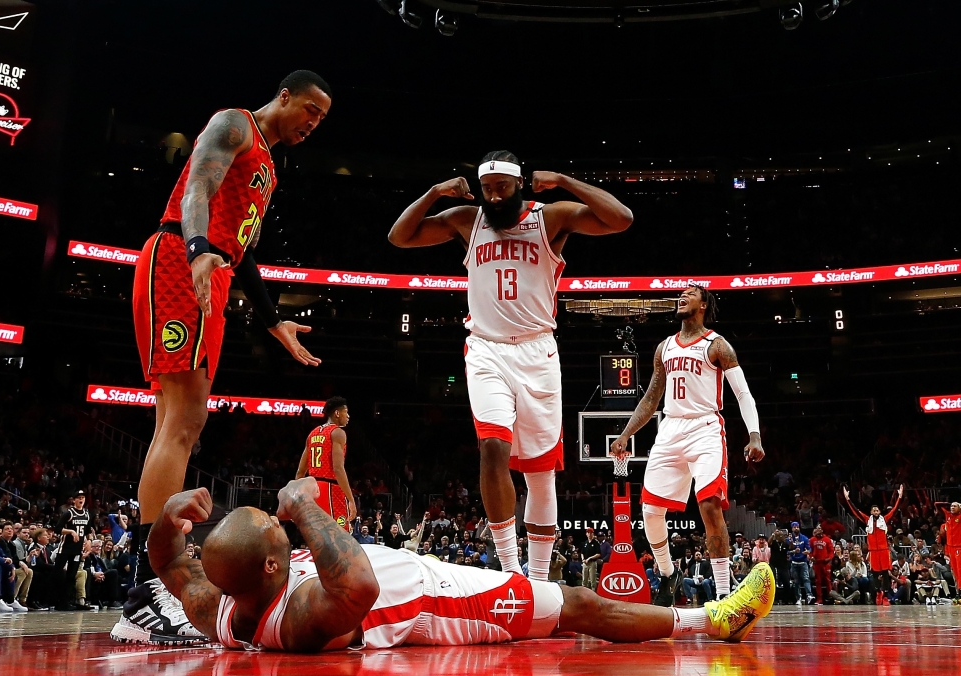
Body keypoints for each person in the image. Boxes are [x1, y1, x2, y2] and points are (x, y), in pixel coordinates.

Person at [117, 70, 333, 646]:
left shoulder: (269, 164)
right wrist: (195, 251)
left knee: (181, 421)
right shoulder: (236, 123)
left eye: (322, 118)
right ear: (284, 96)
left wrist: (273, 321)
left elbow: (246, 252)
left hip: (210, 269)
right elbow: (197, 190)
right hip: (179, 260)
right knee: (182, 421)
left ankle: (148, 584)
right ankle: (148, 589)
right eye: (309, 108)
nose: (313, 122)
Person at [147, 482, 775, 653]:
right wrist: (305, 507)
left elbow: (175, 566)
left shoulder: (221, 605)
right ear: (270, 566)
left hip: (427, 577)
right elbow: (360, 584)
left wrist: (167, 520)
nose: (277, 520)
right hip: (442, 602)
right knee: (574, 605)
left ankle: (704, 618)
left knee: (568, 605)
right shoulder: (296, 618)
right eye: (273, 528)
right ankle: (709, 621)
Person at [388, 153, 634, 580]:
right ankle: (508, 570)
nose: (495, 195)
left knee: (541, 476)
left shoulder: (549, 218)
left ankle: (537, 579)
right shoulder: (468, 219)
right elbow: (399, 238)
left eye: (503, 186)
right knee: (492, 448)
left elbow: (621, 219)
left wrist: (563, 179)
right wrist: (433, 193)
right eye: (488, 188)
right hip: (486, 349)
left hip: (538, 352)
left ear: (520, 184)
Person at [612, 285, 764, 605]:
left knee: (708, 505)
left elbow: (742, 394)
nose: (682, 295)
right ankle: (668, 574)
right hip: (670, 428)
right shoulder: (664, 347)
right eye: (681, 293)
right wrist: (626, 434)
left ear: (703, 305)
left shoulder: (717, 345)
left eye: (690, 293)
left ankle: (723, 593)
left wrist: (754, 435)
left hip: (704, 427)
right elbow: (651, 399)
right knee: (651, 511)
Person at [295, 397, 356, 532]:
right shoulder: (338, 432)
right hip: (330, 488)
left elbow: (300, 471)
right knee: (341, 536)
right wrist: (351, 500)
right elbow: (338, 468)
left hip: (313, 488)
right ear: (337, 413)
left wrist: (297, 496)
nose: (348, 416)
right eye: (346, 412)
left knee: (318, 534)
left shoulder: (312, 434)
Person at [842, 484, 903, 604]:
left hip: (884, 550)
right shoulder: (867, 520)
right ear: (871, 512)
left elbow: (894, 509)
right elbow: (855, 511)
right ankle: (878, 594)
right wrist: (848, 499)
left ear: (880, 511)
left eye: (877, 510)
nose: (876, 512)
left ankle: (885, 595)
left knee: (885, 573)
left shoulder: (884, 520)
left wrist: (900, 497)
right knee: (874, 573)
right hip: (873, 551)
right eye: (874, 510)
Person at [53, 489, 93, 611]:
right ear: (74, 500)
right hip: (64, 549)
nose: (81, 499)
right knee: (58, 574)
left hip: (77, 550)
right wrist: (71, 531)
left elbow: (88, 531)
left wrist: (89, 541)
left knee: (71, 576)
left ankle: (66, 602)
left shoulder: (87, 514)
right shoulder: (68, 513)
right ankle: (55, 601)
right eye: (79, 497)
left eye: (83, 497)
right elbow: (57, 529)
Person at [935, 501, 961, 589]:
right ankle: (959, 591)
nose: (952, 507)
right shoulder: (948, 515)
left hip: (959, 546)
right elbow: (936, 504)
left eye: (955, 506)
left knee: (959, 569)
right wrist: (946, 503)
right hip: (950, 547)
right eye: (951, 506)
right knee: (954, 570)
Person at [787, 522, 813, 605]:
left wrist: (807, 552)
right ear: (792, 529)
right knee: (796, 581)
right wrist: (793, 551)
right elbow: (787, 551)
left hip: (803, 562)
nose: (796, 528)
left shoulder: (804, 538)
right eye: (794, 527)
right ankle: (799, 598)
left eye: (797, 527)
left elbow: (809, 549)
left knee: (806, 579)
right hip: (794, 562)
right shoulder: (789, 539)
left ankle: (809, 595)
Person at [808, 526, 834, 605]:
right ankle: (819, 599)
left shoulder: (827, 540)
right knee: (817, 581)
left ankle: (830, 598)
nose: (817, 530)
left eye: (819, 528)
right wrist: (811, 557)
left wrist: (829, 558)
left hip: (825, 563)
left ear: (822, 530)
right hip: (817, 563)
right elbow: (809, 550)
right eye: (816, 529)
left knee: (828, 581)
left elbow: (831, 551)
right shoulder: (812, 540)